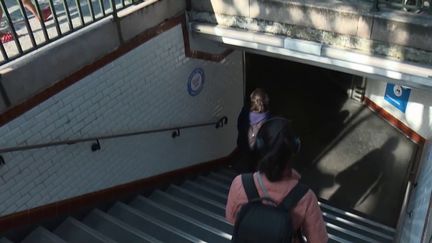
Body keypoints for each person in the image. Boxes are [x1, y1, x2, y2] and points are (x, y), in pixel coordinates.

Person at [226, 117, 328, 243]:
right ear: (295, 147)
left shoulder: (240, 183)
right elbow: (319, 240)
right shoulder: (306, 198)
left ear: (259, 146)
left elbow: (231, 218)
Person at [235, 88, 271, 172]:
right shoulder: (267, 115)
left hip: (244, 144)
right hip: (257, 149)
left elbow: (239, 123)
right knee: (254, 167)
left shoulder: (246, 109)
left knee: (246, 166)